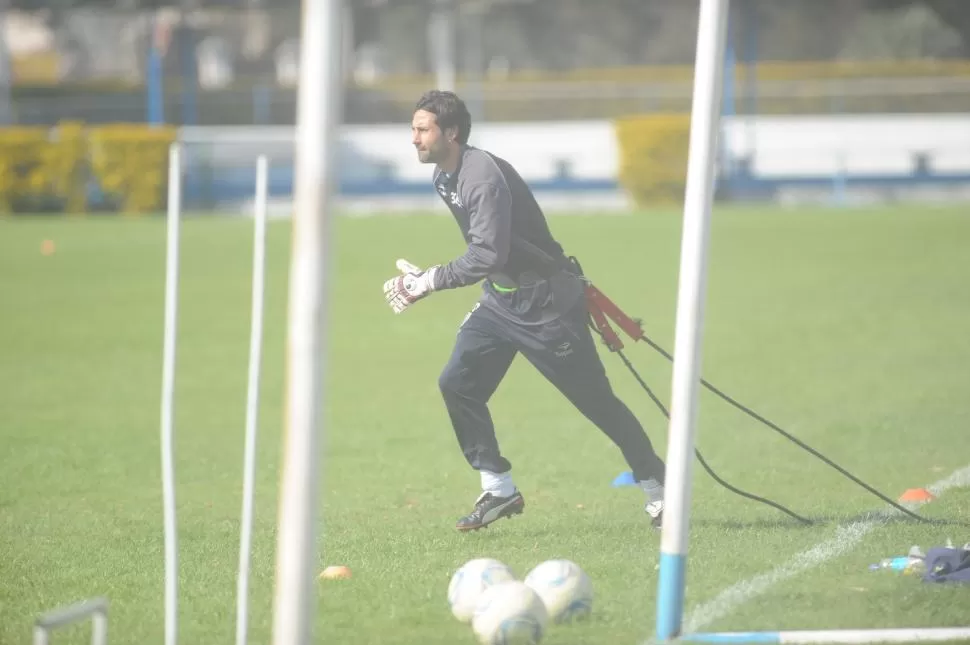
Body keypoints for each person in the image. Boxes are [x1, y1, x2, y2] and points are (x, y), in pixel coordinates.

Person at [382, 90, 666, 531]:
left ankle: (658, 487)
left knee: (598, 405)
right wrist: (430, 279)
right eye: (413, 129)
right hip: (500, 303)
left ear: (450, 133)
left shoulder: (481, 176)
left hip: (547, 308)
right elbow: (489, 255)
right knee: (457, 384)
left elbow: (487, 254)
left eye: (422, 129)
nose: (413, 138)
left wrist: (429, 281)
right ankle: (498, 489)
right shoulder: (443, 176)